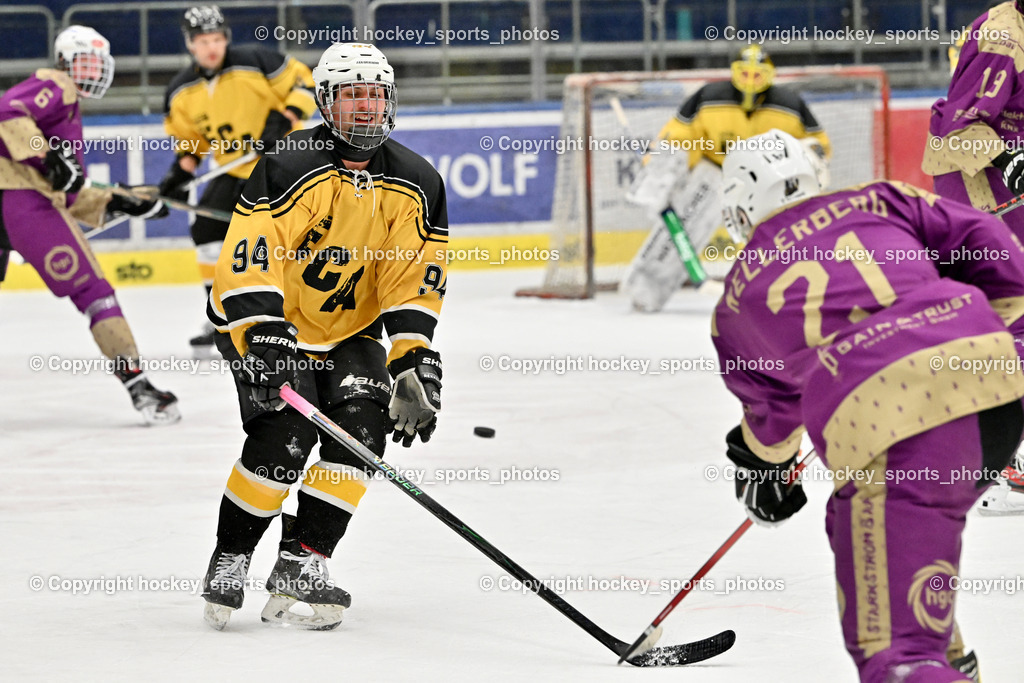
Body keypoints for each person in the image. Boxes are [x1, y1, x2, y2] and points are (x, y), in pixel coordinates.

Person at [713, 129, 1024, 682]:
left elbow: (773, 429)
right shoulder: (879, 198)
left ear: (740, 207)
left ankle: (925, 657)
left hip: (897, 428)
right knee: (853, 522)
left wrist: (765, 473)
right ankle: (951, 656)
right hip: (994, 398)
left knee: (894, 657)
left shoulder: (736, 299)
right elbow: (994, 247)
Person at [199, 43, 448, 631]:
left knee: (363, 434)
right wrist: (265, 334)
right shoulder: (288, 164)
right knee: (282, 440)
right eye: (351, 96)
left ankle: (303, 560)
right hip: (266, 326)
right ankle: (231, 557)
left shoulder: (418, 180)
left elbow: (412, 279)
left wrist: (414, 358)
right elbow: (252, 257)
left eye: (375, 96)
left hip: (348, 331)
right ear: (325, 103)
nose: (365, 109)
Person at [0, 25, 179, 425]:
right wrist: (45, 156)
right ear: (64, 61)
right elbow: (7, 112)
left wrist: (121, 201)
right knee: (94, 293)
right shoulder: (57, 86)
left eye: (98, 63)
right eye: (85, 61)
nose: (93, 70)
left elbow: (69, 189)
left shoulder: (67, 114)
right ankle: (140, 387)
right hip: (20, 202)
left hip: (18, 198)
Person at [159, 5, 317, 358]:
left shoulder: (256, 60)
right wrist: (180, 173)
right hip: (235, 170)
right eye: (203, 41)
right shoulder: (181, 90)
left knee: (288, 236)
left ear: (225, 39)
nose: (211, 46)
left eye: (217, 38)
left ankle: (303, 310)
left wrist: (285, 118)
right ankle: (223, 313)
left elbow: (305, 82)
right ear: (190, 45)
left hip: (282, 164)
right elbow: (192, 144)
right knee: (206, 230)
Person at [623, 45, 831, 312]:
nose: (751, 81)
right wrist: (658, 170)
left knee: (781, 235)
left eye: (758, 75)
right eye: (745, 73)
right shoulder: (708, 97)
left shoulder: (790, 104)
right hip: (715, 173)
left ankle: (788, 293)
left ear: (770, 75)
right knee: (683, 227)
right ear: (734, 72)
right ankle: (645, 291)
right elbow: (677, 136)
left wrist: (812, 159)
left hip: (767, 180)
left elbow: (817, 144)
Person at [924, 1, 1024, 516]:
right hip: (979, 184)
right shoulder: (1002, 39)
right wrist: (1012, 157)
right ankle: (1005, 454)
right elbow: (963, 127)